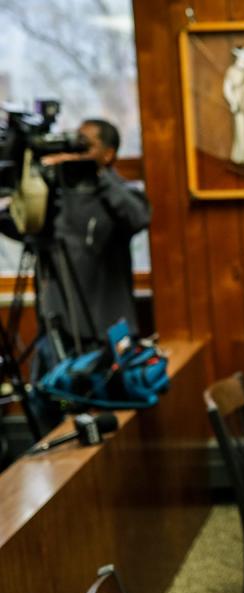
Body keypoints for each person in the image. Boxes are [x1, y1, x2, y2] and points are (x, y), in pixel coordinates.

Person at [2, 118, 151, 429]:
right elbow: (20, 224)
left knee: (101, 415)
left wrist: (99, 173)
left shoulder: (117, 195)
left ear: (108, 154)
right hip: (58, 334)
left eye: (87, 145)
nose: (75, 150)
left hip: (103, 336)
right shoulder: (56, 199)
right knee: (52, 405)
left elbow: (138, 218)